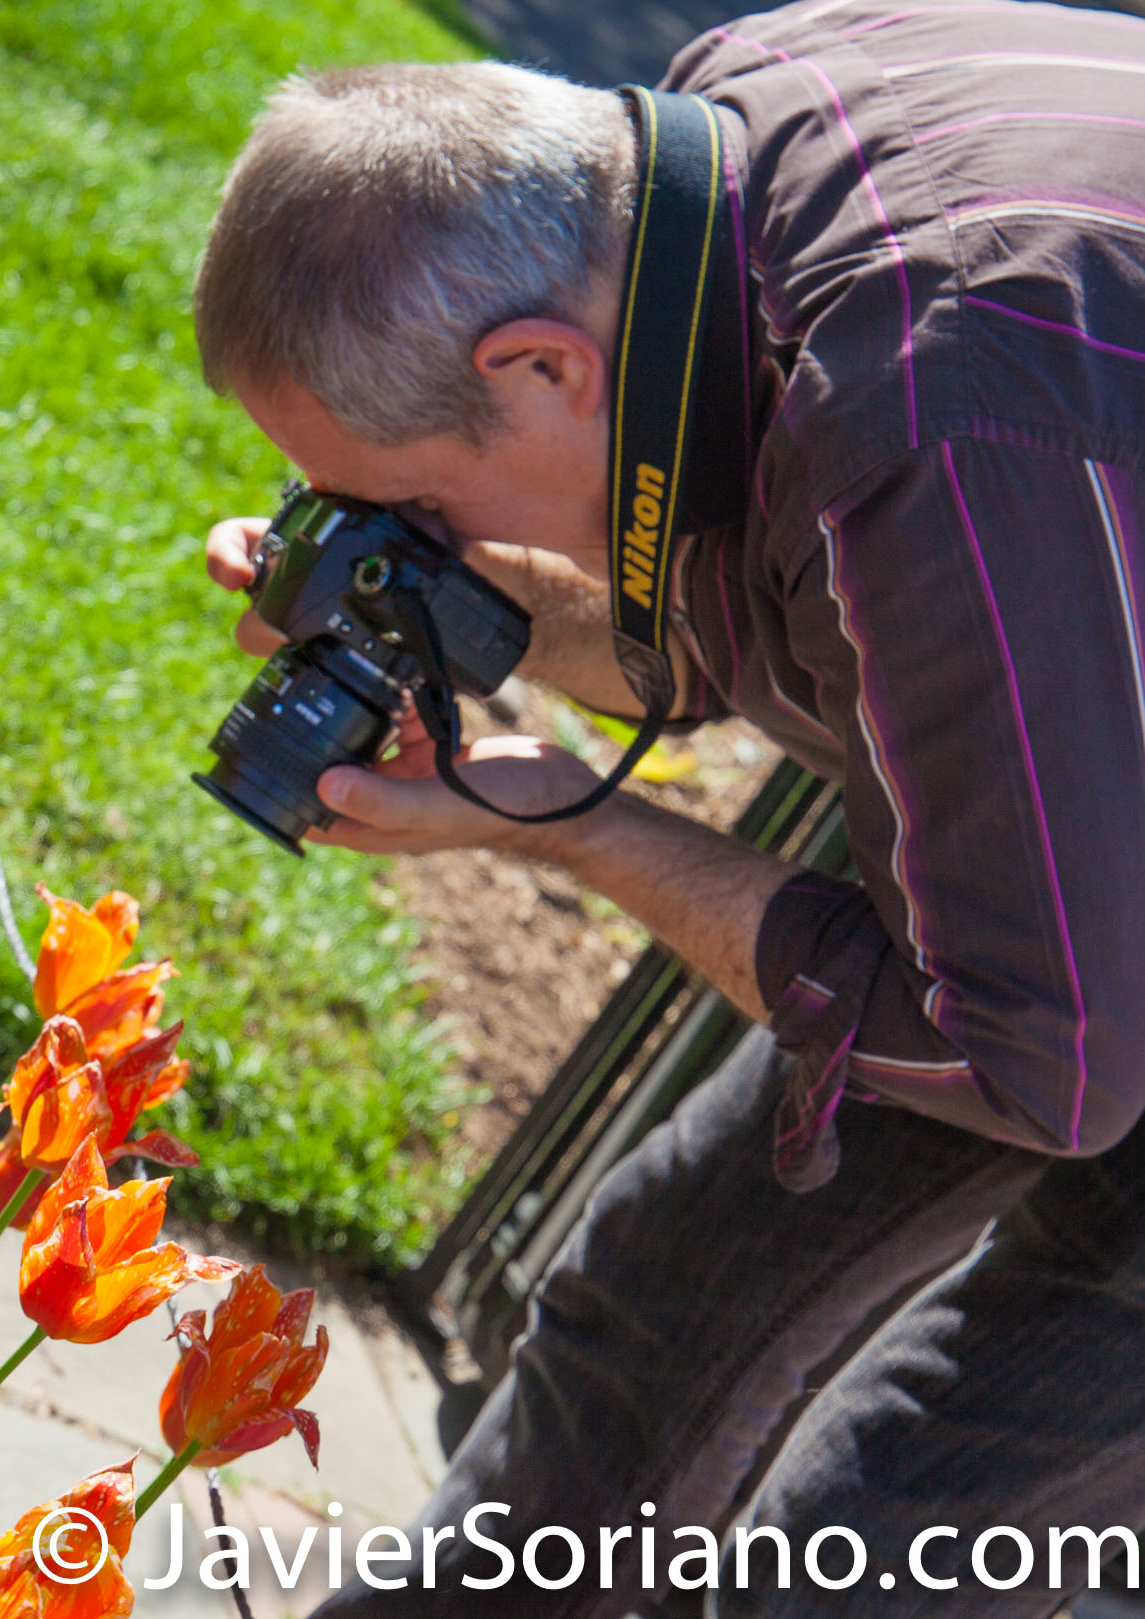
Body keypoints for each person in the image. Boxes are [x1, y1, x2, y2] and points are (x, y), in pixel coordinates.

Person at [190, 3, 1145, 1615]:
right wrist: (474, 602)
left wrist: (567, 825)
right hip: (1083, 761)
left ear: (541, 366)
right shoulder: (714, 158)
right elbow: (782, 610)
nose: (394, 535)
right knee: (665, 1299)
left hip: (1072, 980)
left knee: (872, 1544)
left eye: (408, 504)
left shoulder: (927, 404)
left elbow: (1045, 1064)